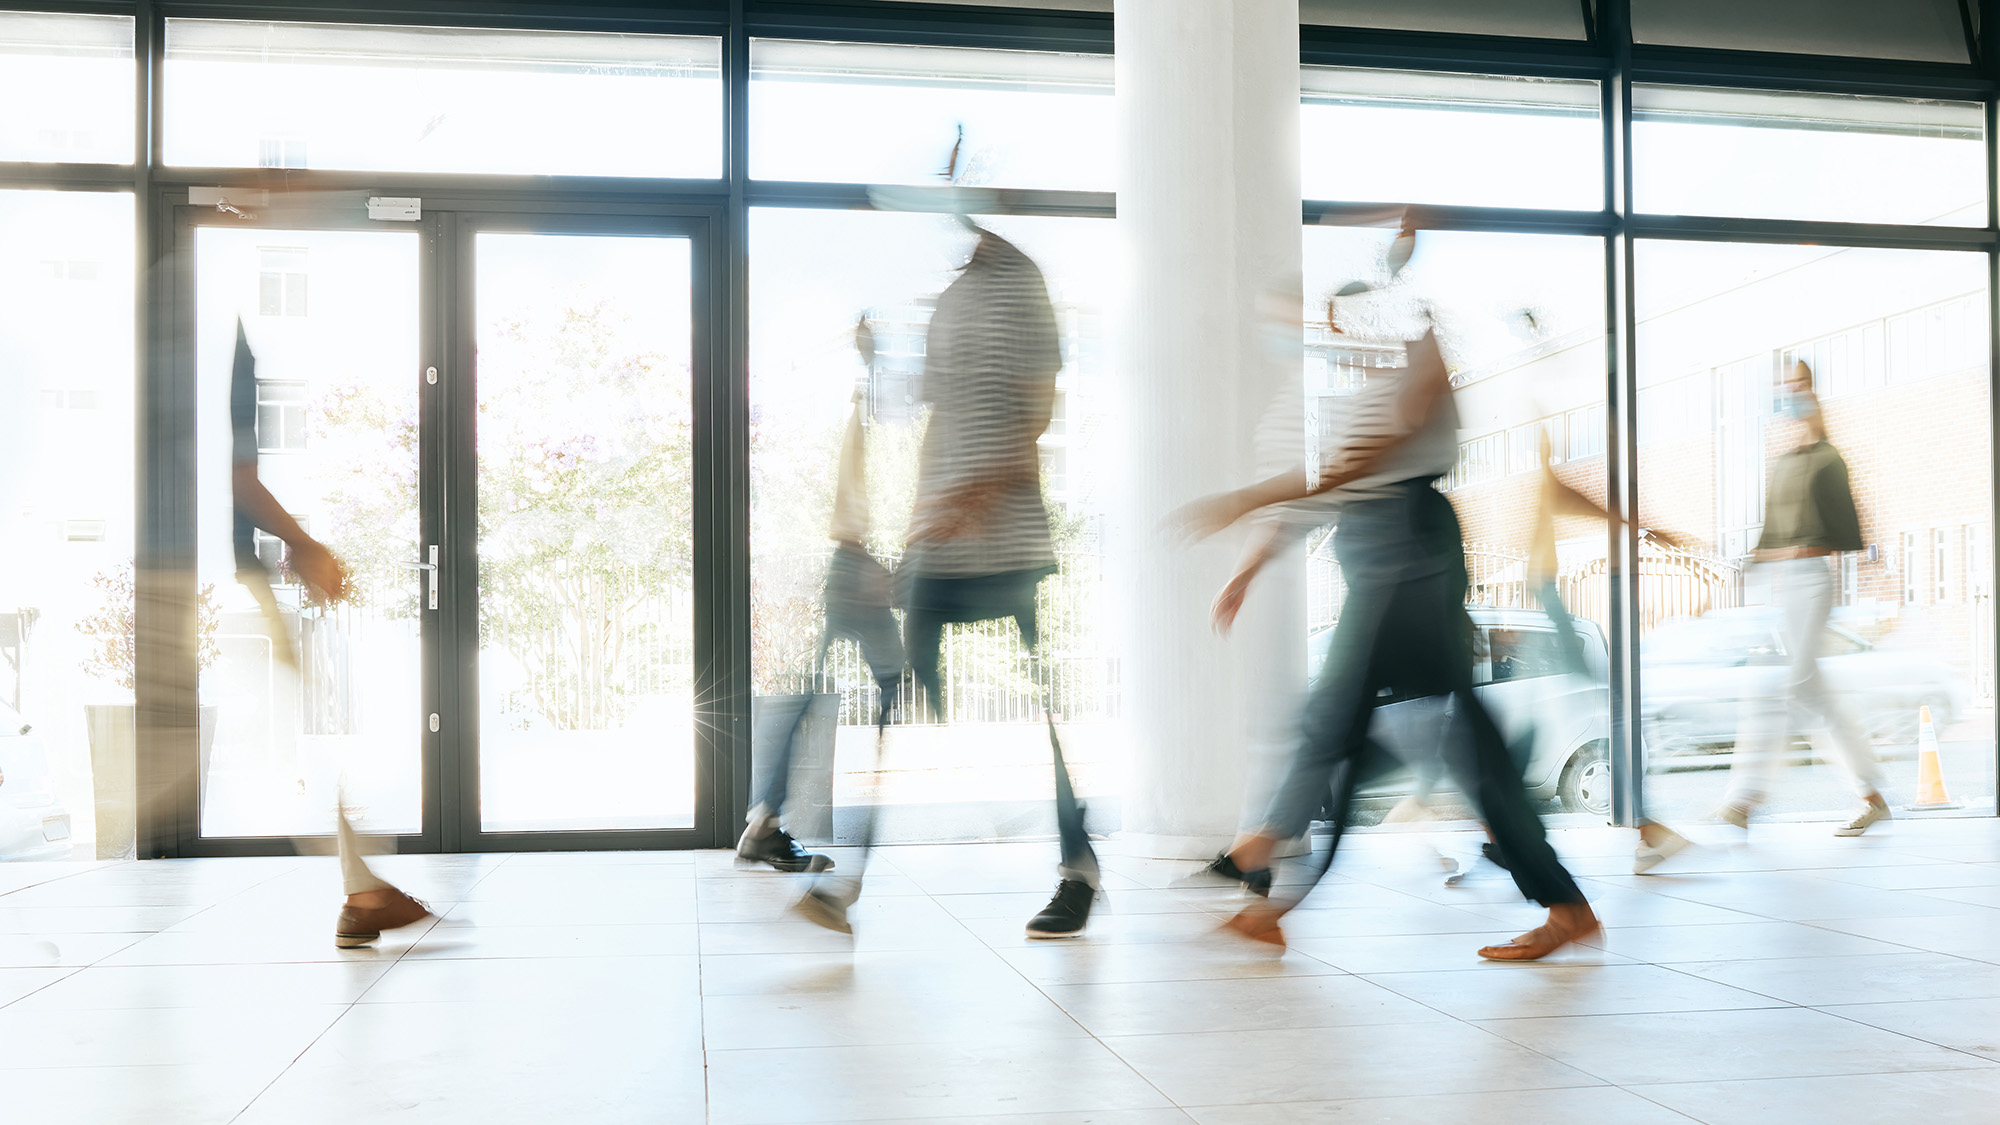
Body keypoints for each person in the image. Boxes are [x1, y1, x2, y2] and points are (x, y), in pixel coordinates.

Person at [1175, 284, 1599, 961]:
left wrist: (1253, 496)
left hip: (1408, 556)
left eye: (1348, 314)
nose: (1332, 325)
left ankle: (1267, 852)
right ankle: (1564, 902)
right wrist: (1250, 567)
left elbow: (1367, 464)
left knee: (1334, 715)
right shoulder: (1358, 400)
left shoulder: (1422, 365)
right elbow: (1332, 485)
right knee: (1435, 741)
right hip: (1383, 553)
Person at [860, 225, 1096, 939]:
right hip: (940, 539)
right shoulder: (954, 299)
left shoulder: (1022, 286)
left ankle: (1077, 867)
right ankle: (849, 883)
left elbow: (1032, 418)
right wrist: (916, 534)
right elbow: (935, 423)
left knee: (1038, 705)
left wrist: (971, 502)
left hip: (1003, 536)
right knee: (894, 694)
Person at [228, 320, 432, 948]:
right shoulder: (215, 341)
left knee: (298, 744)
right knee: (288, 749)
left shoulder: (213, 334)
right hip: (220, 580)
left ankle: (361, 892)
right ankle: (361, 891)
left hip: (232, 574)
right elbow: (230, 476)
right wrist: (303, 542)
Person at [740, 320, 905, 879]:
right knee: (882, 686)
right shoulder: (867, 418)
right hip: (856, 562)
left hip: (855, 561)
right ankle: (766, 824)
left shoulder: (864, 418)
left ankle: (763, 822)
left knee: (820, 689)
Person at [1718, 360, 1890, 837]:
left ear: (1812, 390)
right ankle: (1873, 796)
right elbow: (1769, 537)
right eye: (1785, 387)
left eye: (1799, 385)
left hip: (1813, 582)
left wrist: (1793, 551)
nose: (1790, 393)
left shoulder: (1827, 458)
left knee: (1786, 689)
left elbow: (1846, 532)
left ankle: (1744, 799)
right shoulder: (1785, 463)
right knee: (1817, 694)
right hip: (1785, 585)